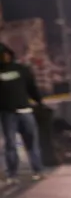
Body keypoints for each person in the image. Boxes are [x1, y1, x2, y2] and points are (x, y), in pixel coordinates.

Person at [0, 43, 44, 184]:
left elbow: (31, 87)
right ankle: (12, 174)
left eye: (6, 54)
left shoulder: (21, 69)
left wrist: (38, 101)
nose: (4, 57)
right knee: (11, 145)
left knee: (32, 143)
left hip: (25, 110)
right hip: (7, 113)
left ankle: (38, 170)